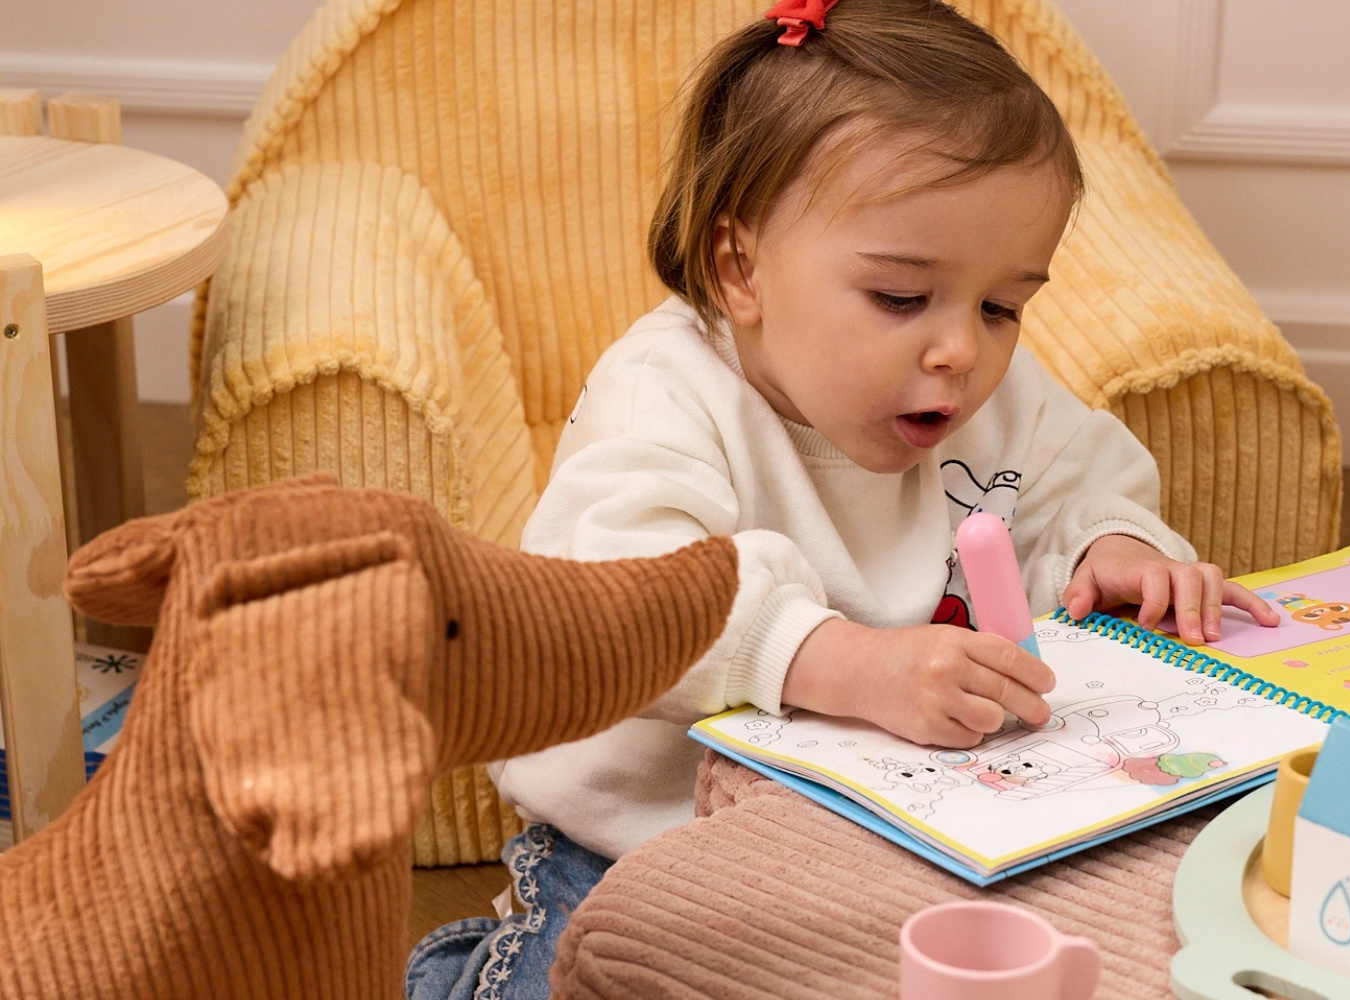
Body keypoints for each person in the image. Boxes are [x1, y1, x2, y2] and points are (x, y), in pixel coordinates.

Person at [406, 1, 1278, 996]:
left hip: (875, 835)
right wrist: (845, 663)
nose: (962, 349)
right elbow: (623, 594)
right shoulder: (663, 396)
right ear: (740, 269)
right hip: (638, 842)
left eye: (1002, 306)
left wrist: (1109, 550)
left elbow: (1077, 476)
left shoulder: (985, 393)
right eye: (901, 298)